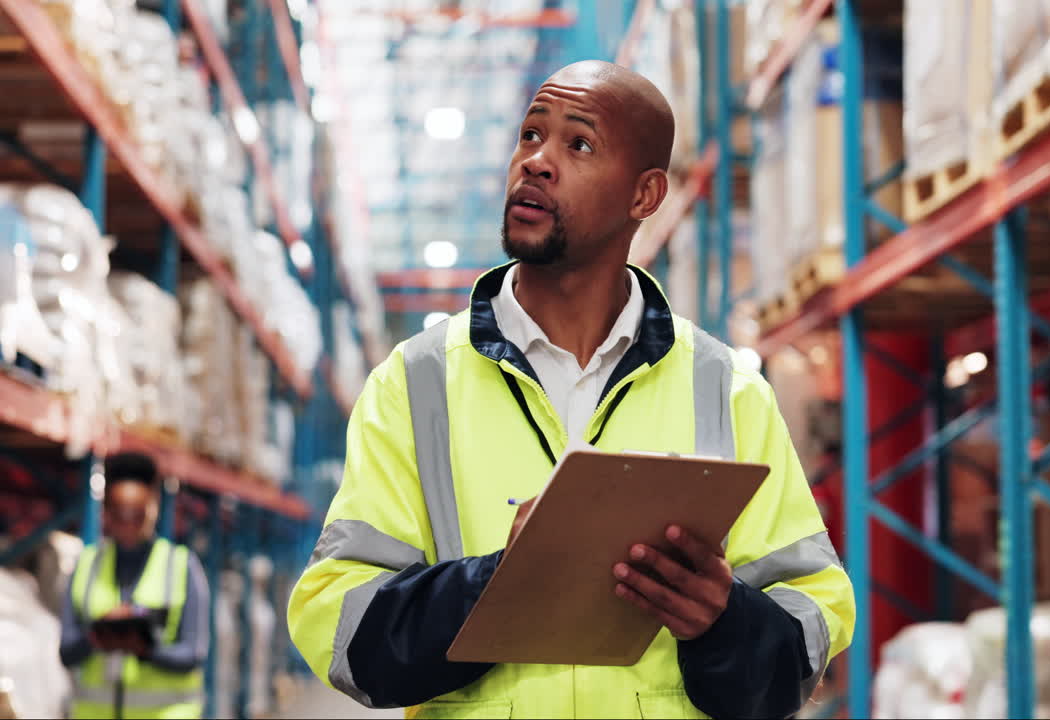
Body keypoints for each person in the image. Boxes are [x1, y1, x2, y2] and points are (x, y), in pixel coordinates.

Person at [289, 60, 854, 719]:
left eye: (579, 144)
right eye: (530, 135)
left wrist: (722, 621)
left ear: (644, 197)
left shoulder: (725, 389)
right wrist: (495, 582)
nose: (536, 162)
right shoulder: (415, 385)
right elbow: (339, 626)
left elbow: (809, 634)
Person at [60, 452, 208, 719]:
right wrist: (98, 634)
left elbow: (193, 654)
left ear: (153, 508)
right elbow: (66, 651)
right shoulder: (86, 565)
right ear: (106, 512)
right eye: (119, 515)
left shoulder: (182, 566)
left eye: (137, 515)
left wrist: (145, 648)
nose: (128, 525)